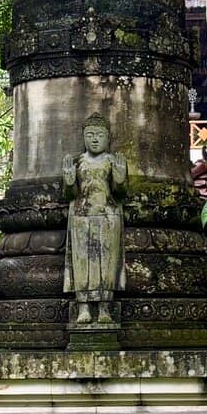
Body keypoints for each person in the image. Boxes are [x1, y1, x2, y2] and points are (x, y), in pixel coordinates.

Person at [62, 114, 127, 326]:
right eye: (90, 135)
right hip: (82, 215)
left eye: (99, 135)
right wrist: (70, 180)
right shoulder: (78, 161)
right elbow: (70, 194)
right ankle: (83, 308)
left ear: (108, 137)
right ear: (83, 138)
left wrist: (119, 177)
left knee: (106, 263)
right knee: (82, 263)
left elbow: (119, 192)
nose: (95, 139)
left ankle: (104, 308)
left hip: (108, 214)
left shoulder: (112, 160)